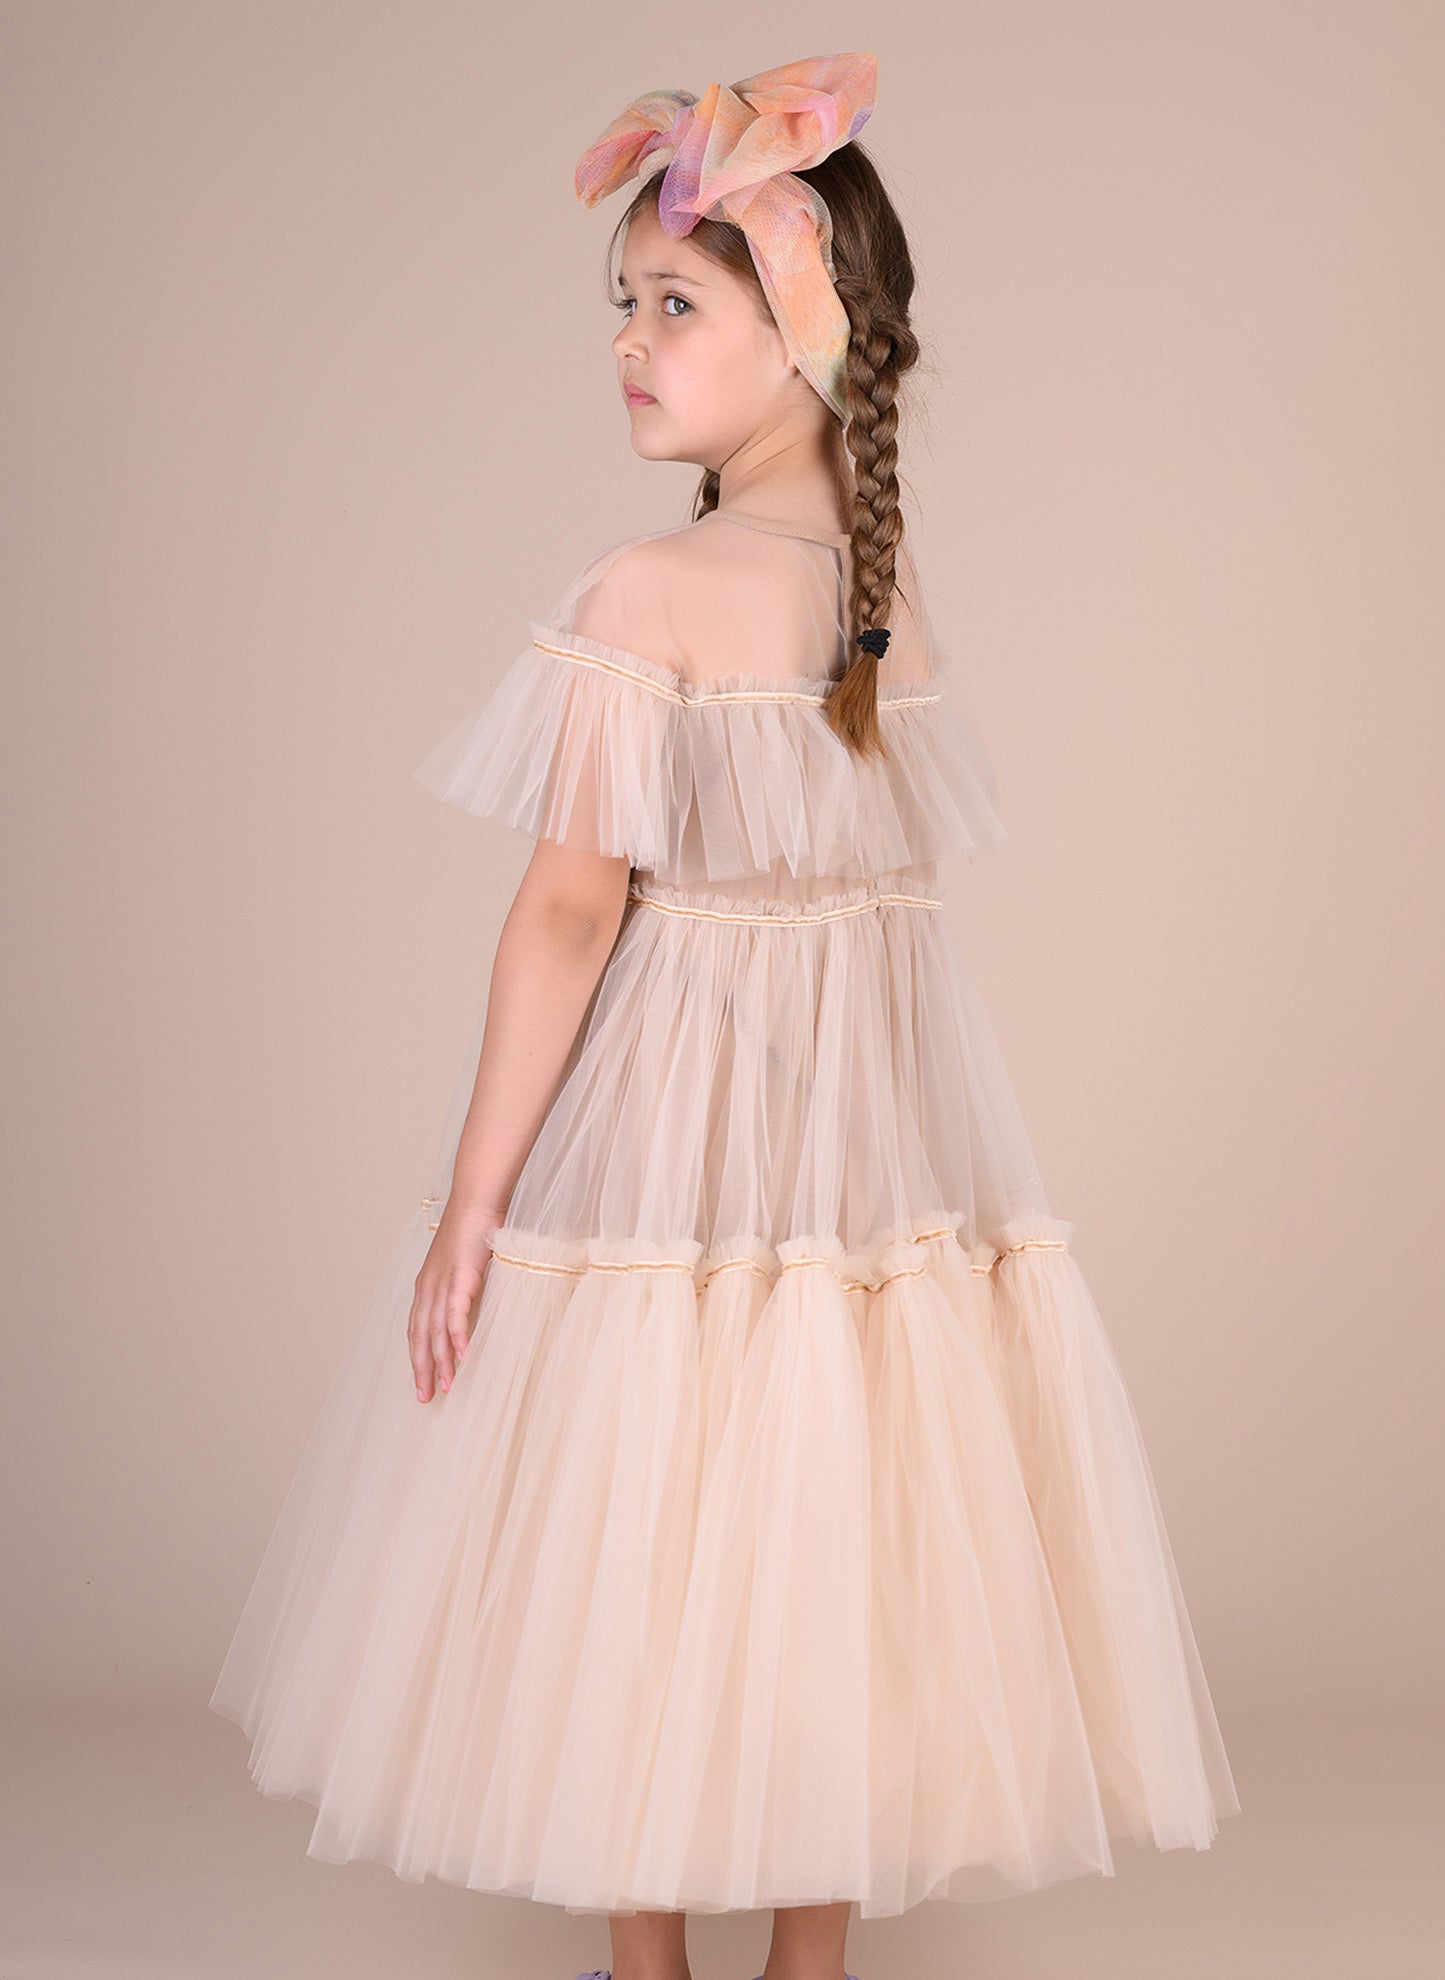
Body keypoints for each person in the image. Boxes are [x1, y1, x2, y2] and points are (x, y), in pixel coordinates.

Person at [209, 51, 1240, 1980]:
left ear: (803, 335)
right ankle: (805, 1960)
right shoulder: (877, 584)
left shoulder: (650, 588)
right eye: (622, 303)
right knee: (822, 1525)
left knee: (645, 1522)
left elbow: (564, 915)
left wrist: (472, 1204)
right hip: (852, 1156)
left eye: (674, 304)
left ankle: (647, 1962)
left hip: (672, 1142)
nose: (627, 341)